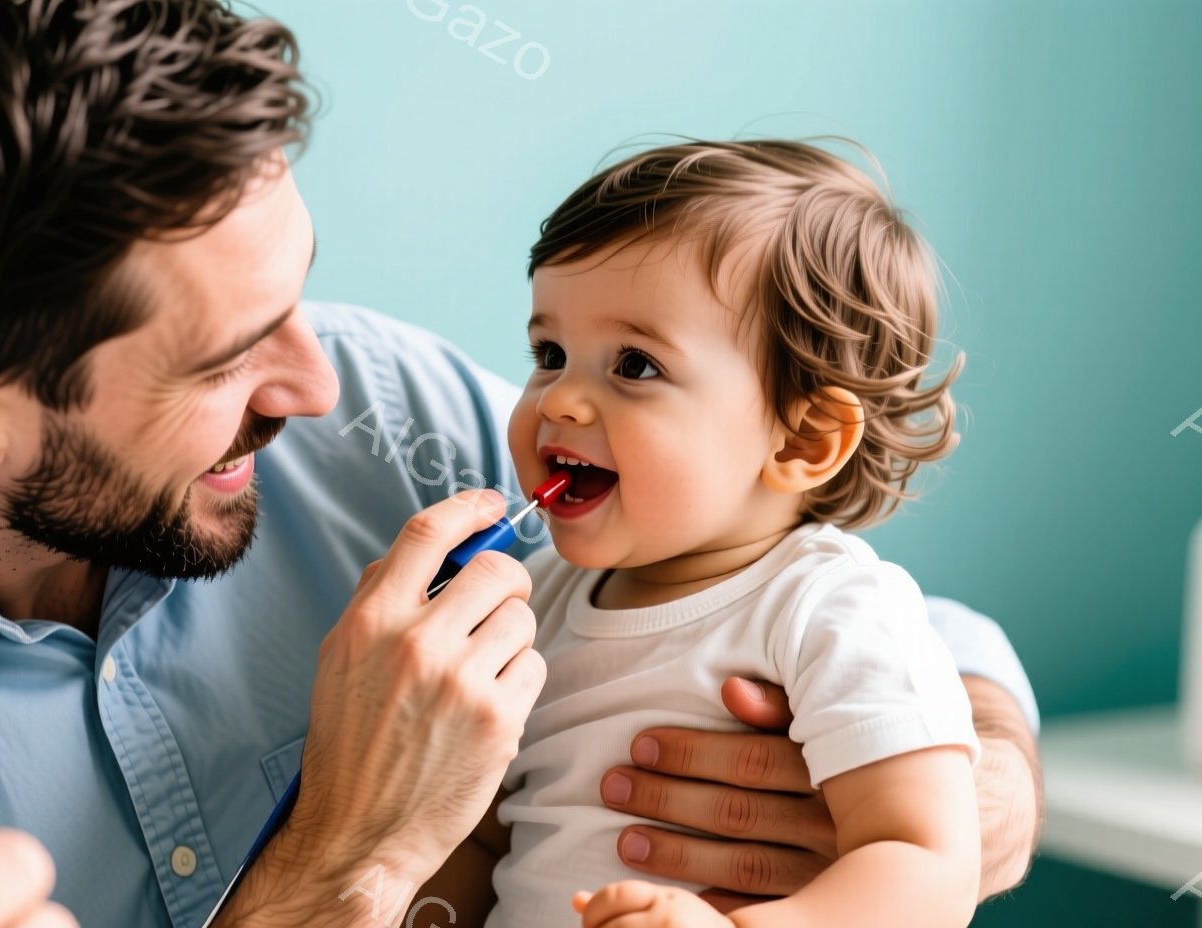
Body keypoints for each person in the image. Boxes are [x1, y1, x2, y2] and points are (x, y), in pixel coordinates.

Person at [0, 3, 1042, 926]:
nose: (315, 386)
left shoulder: (385, 412)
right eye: (226, 358)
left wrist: (959, 793)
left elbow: (831, 594)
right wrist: (349, 857)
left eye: (299, 293)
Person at [421, 140, 991, 928]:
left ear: (802, 441)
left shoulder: (830, 608)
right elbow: (478, 837)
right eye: (551, 354)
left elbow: (928, 868)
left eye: (634, 365)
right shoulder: (534, 602)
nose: (559, 401)